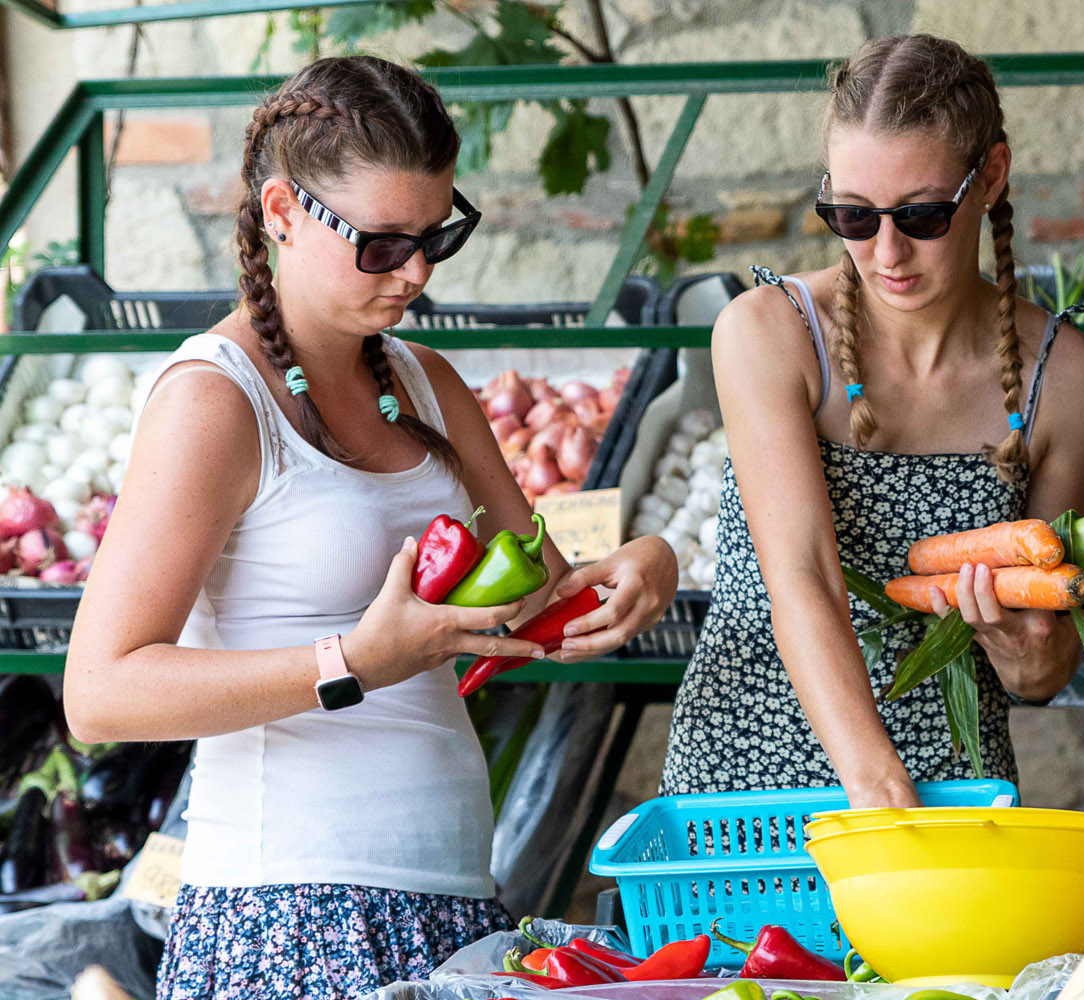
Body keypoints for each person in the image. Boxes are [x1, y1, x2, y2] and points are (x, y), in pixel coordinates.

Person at [62, 55, 677, 999]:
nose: (419, 271)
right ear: (281, 213)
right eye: (383, 243)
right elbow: (100, 692)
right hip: (289, 914)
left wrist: (644, 565)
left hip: (456, 897)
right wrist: (353, 661)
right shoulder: (216, 401)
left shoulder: (427, 382)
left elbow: (538, 607)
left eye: (438, 236)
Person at [660, 35, 1084, 808]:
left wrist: (1021, 642)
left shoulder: (1062, 377)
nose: (887, 252)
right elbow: (802, 575)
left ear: (991, 176)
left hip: (954, 793)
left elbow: (1043, 672)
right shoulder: (770, 333)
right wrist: (874, 785)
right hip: (745, 790)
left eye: (923, 214)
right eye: (853, 216)